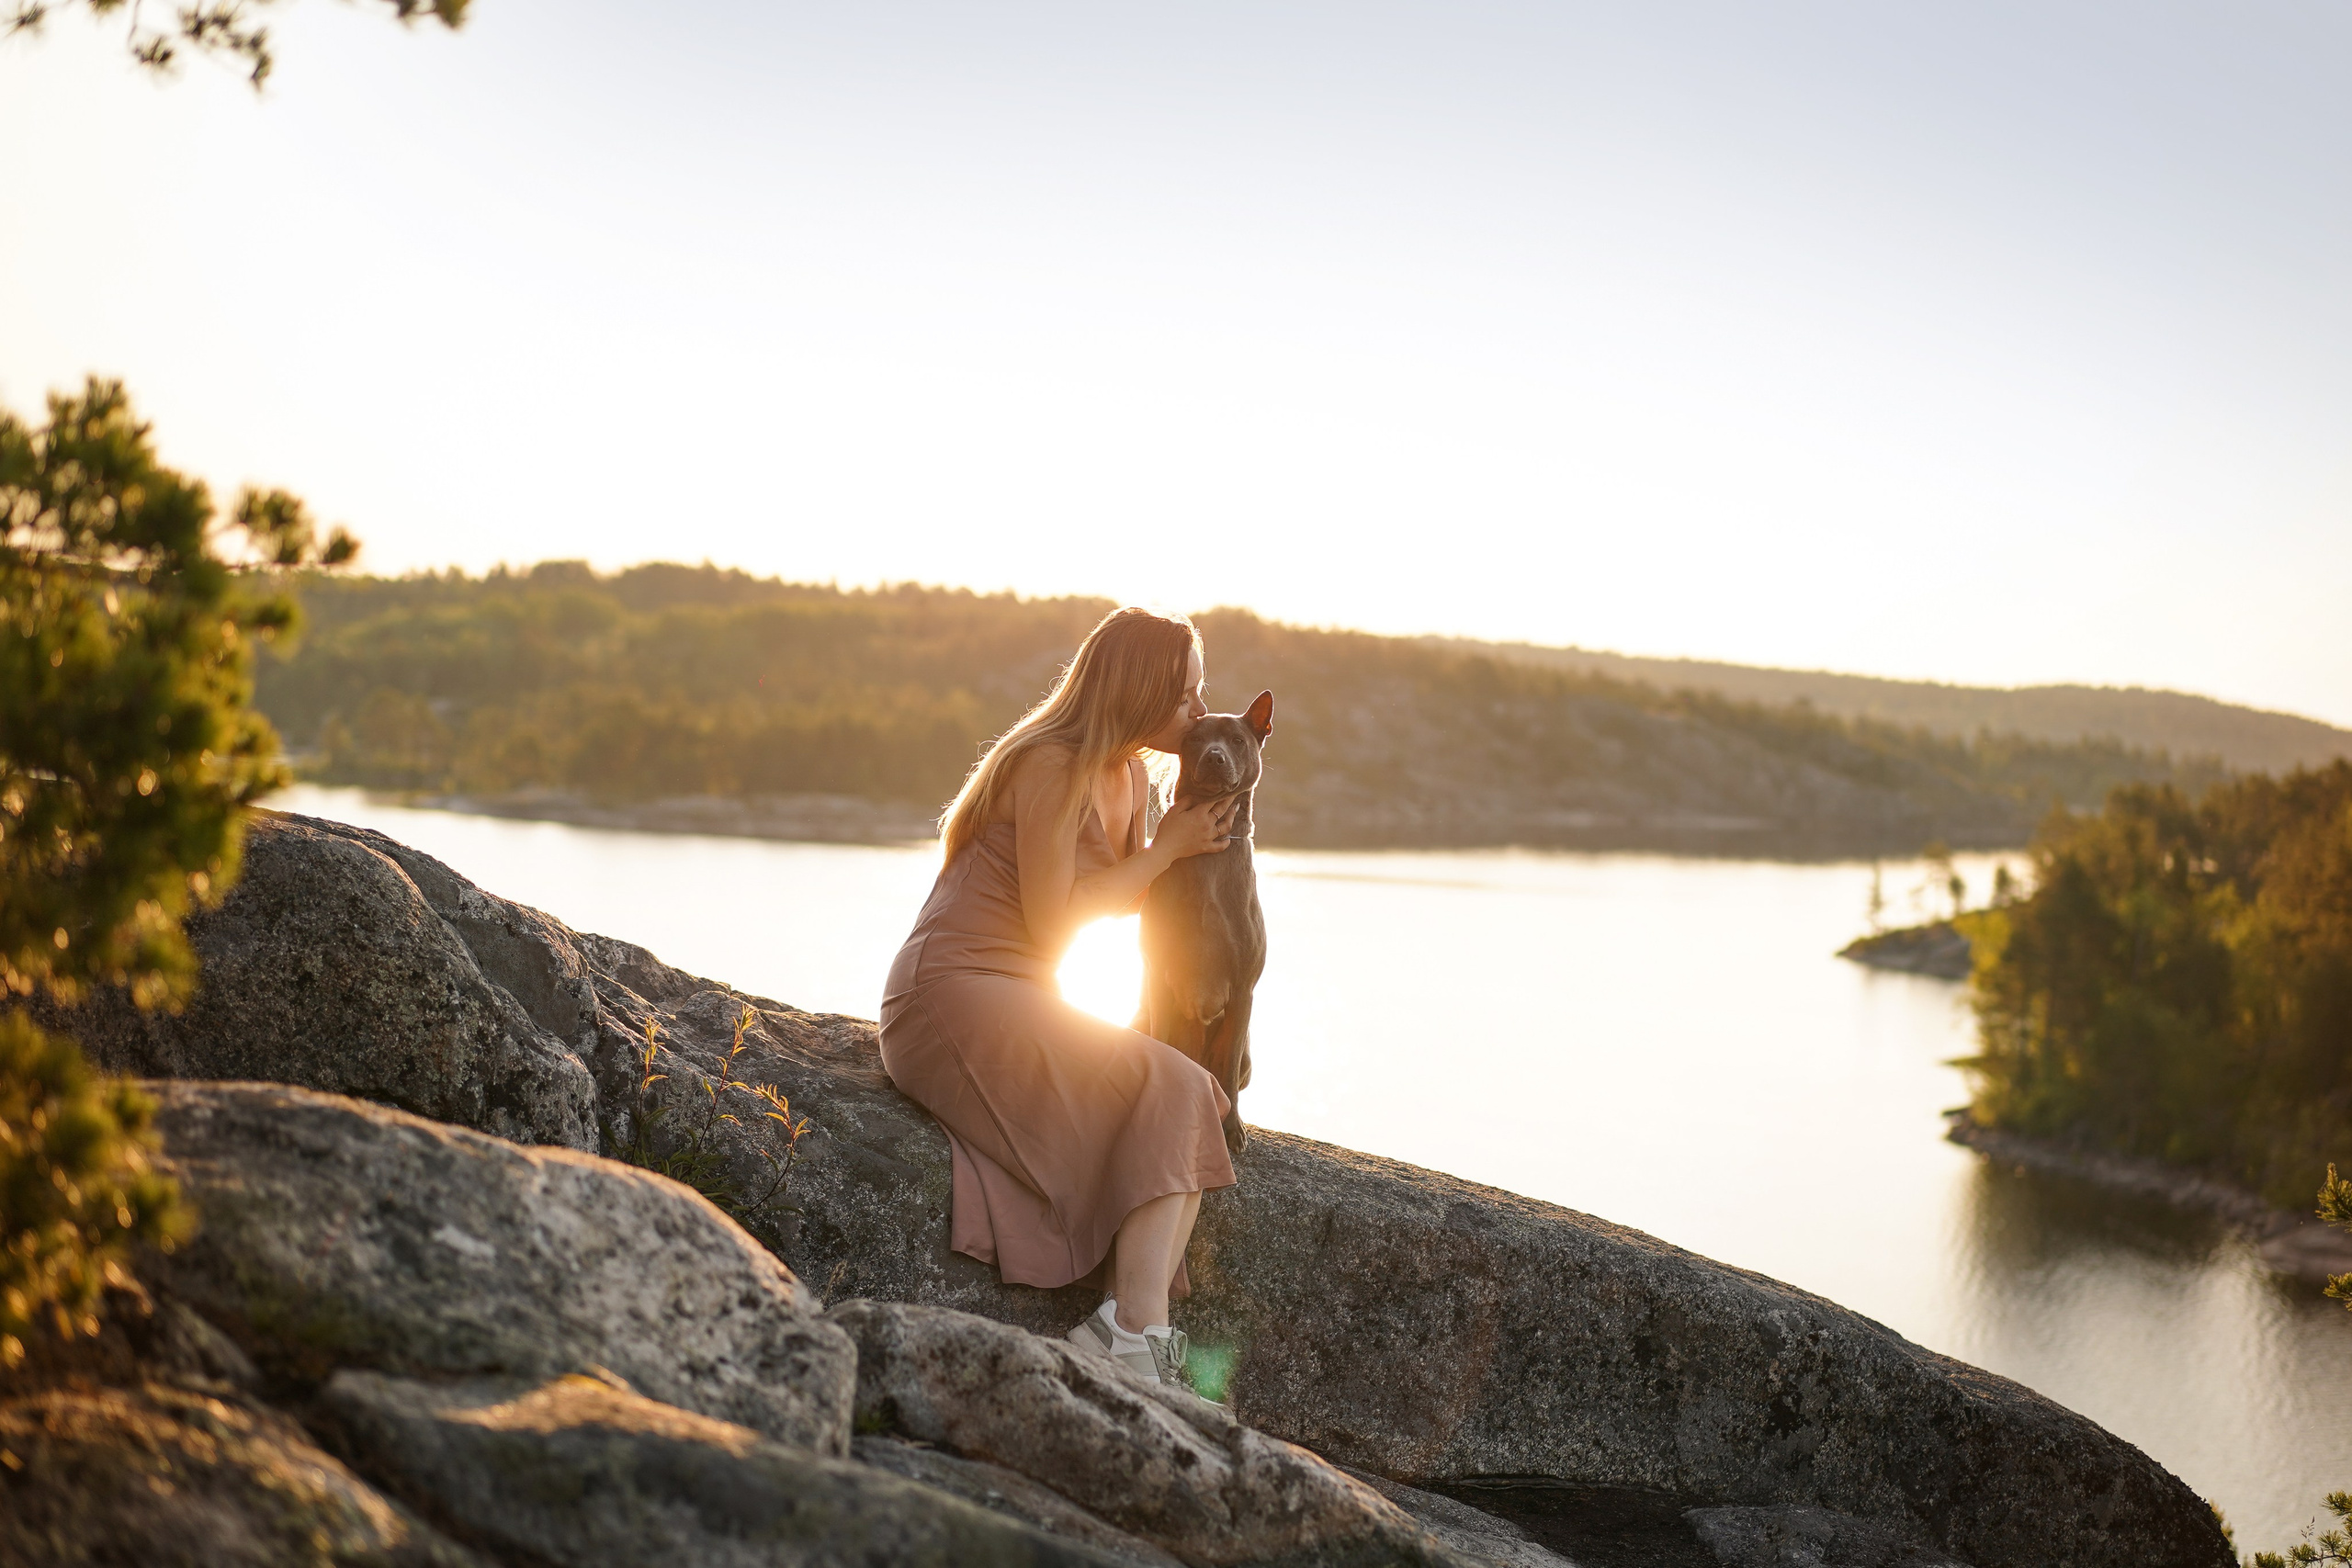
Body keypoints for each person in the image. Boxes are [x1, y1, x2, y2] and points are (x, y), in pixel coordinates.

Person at [878, 606, 1239, 1387]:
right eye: (1185, 694)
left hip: (1021, 996)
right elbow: (1054, 920)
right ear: (1139, 691)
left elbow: (1127, 897)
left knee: (1193, 1096)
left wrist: (1194, 849)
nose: (1199, 710)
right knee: (1172, 1085)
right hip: (952, 990)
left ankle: (1130, 1329)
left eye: (1200, 692)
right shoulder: (1049, 762)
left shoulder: (1133, 775)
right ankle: (1136, 1340)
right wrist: (1165, 849)